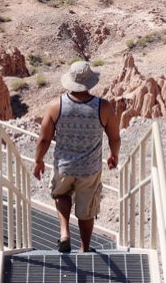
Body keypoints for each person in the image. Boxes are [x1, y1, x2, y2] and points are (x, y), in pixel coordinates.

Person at [32, 60, 121, 253]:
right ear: (90, 82)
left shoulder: (56, 105)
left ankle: (64, 232)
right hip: (90, 169)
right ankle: (85, 249)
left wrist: (38, 161)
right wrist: (114, 155)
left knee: (61, 194)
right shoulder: (103, 107)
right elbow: (114, 137)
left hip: (64, 166)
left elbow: (43, 139)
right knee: (86, 211)